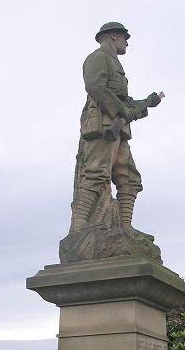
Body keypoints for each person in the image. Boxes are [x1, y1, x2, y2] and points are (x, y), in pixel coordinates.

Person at [70, 22, 163, 232]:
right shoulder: (97, 57)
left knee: (129, 178)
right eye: (125, 38)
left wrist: (141, 104)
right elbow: (95, 87)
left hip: (118, 127)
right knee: (96, 173)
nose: (127, 44)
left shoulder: (115, 63)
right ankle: (79, 224)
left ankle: (125, 227)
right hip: (103, 124)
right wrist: (122, 110)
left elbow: (120, 98)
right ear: (114, 35)